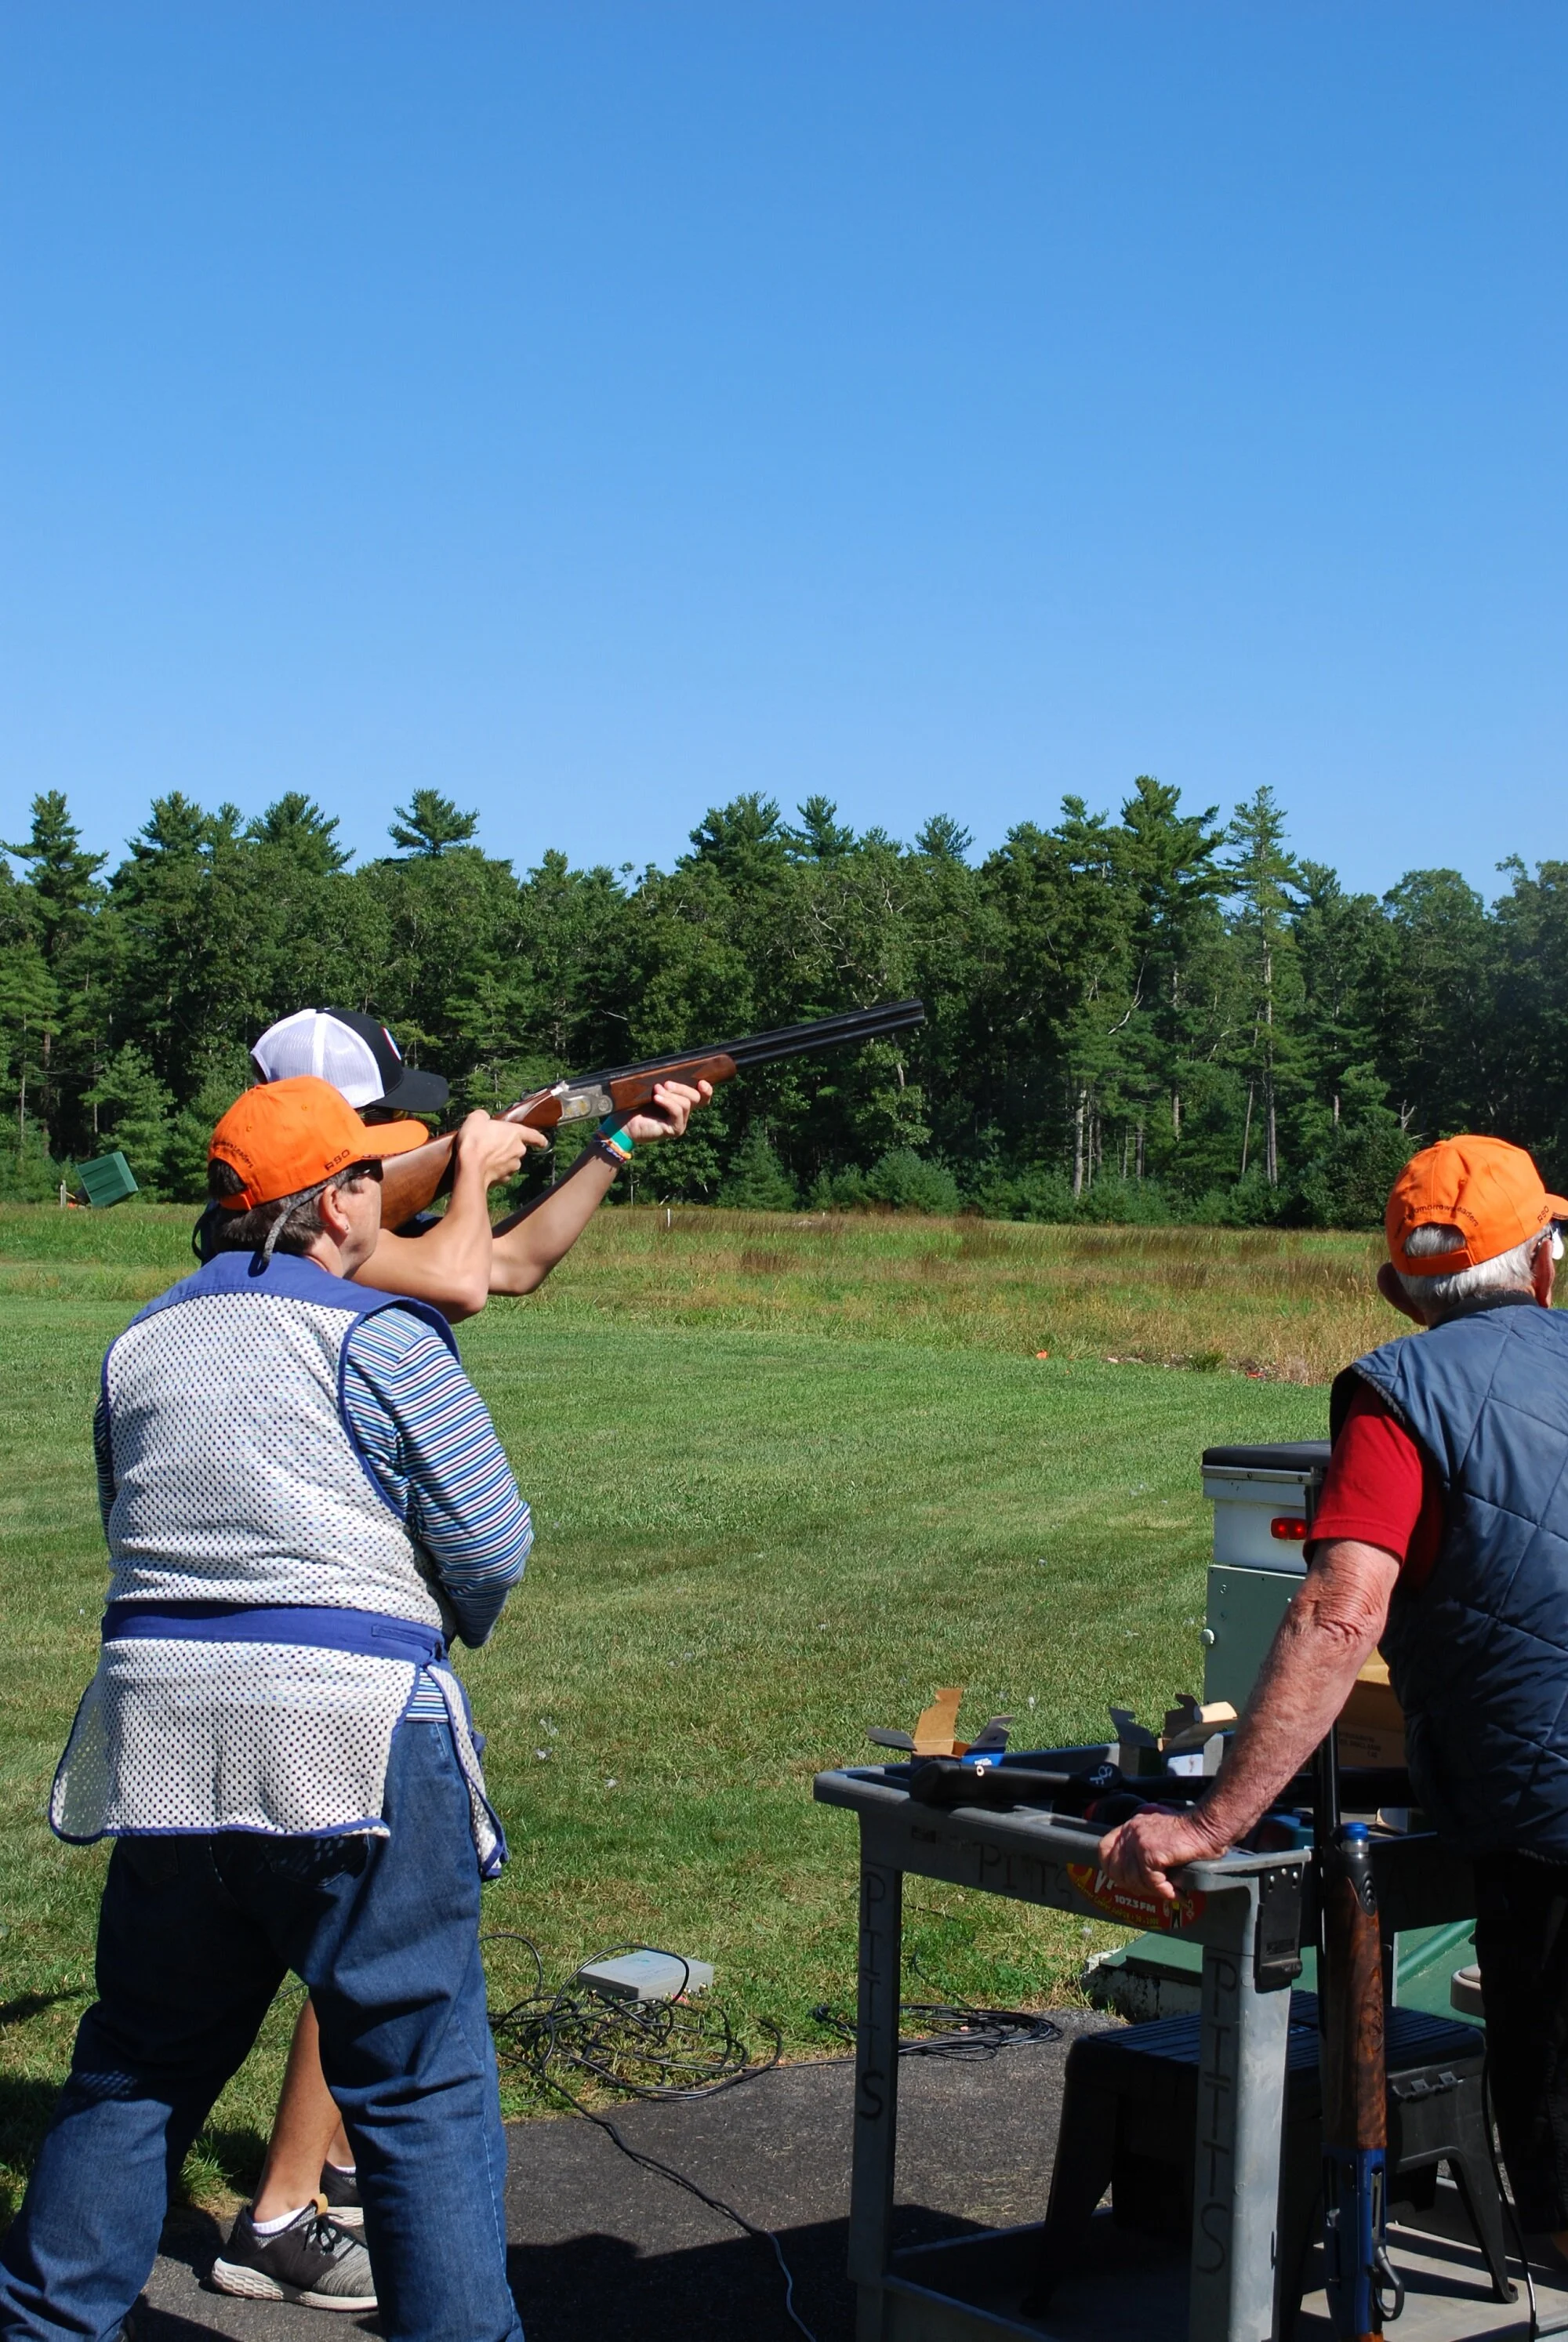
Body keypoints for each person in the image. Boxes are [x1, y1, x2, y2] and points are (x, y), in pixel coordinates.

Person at [0, 1078, 535, 2340]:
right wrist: (427, 1610)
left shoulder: (142, 1338)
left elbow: (123, 1515)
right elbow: (492, 1538)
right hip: (352, 1730)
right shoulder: (382, 1333)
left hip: (164, 1736)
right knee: (417, 2087)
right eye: (368, 1175)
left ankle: (48, 2322)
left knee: (137, 2059)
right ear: (340, 1197)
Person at [224, 1008, 708, 2302]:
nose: (411, 1144)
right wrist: (494, 1159)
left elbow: (510, 1269)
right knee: (372, 1951)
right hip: (335, 1654)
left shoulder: (325, 1239)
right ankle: (284, 2210)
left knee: (335, 1947)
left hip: (305, 1646)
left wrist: (604, 1138)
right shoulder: (326, 1259)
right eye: (390, 1128)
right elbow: (464, 1274)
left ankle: (309, 2183)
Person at [1101, 1133, 1568, 2266]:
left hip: (1540, 1817)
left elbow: (1338, 1614)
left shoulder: (1399, 1394)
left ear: (1397, 1283)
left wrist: (1213, 1820)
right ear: (1547, 1264)